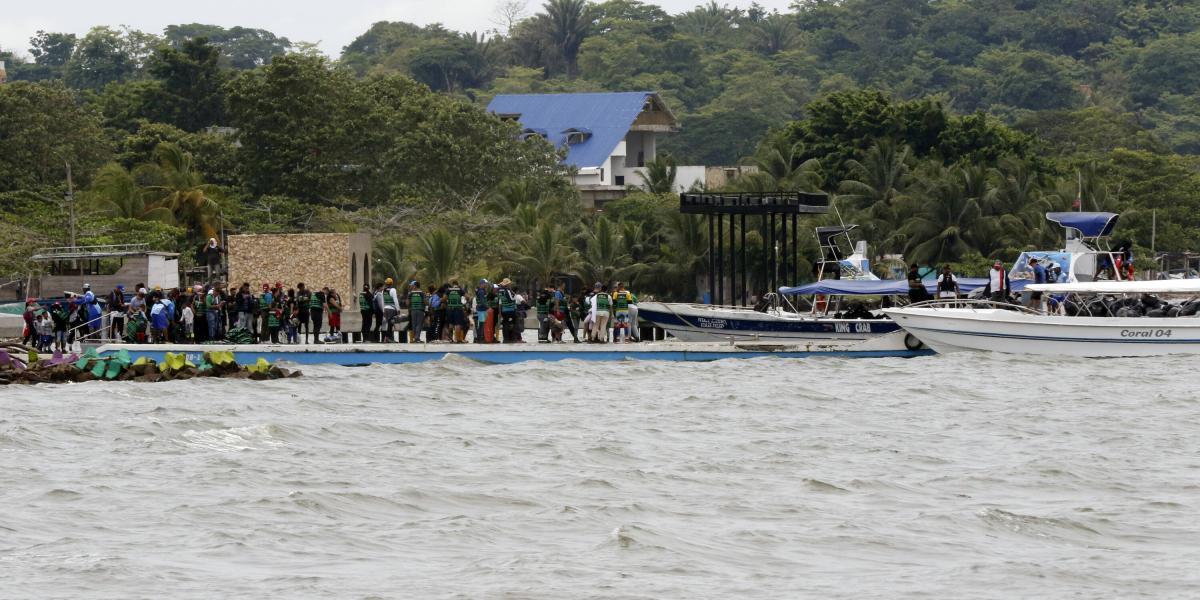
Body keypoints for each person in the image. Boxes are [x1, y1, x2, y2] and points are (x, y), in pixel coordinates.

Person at [496, 278, 518, 343]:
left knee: (505, 324)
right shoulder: (507, 291)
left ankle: (506, 338)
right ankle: (511, 338)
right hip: (510, 310)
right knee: (512, 324)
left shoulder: (500, 291)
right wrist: (513, 293)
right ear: (507, 284)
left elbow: (500, 301)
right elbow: (512, 299)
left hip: (504, 310)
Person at [446, 279, 467, 343]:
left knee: (451, 324)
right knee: (458, 324)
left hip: (450, 309)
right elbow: (467, 297)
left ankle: (450, 339)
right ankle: (458, 339)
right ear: (457, 284)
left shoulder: (449, 290)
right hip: (458, 308)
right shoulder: (460, 290)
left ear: (452, 284)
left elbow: (444, 298)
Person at [474, 279, 490, 343]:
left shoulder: (483, 291)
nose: (486, 285)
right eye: (485, 284)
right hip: (481, 310)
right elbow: (482, 301)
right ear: (482, 284)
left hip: (482, 309)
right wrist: (487, 307)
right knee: (481, 324)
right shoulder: (481, 291)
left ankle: (481, 338)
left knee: (482, 324)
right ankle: (480, 338)